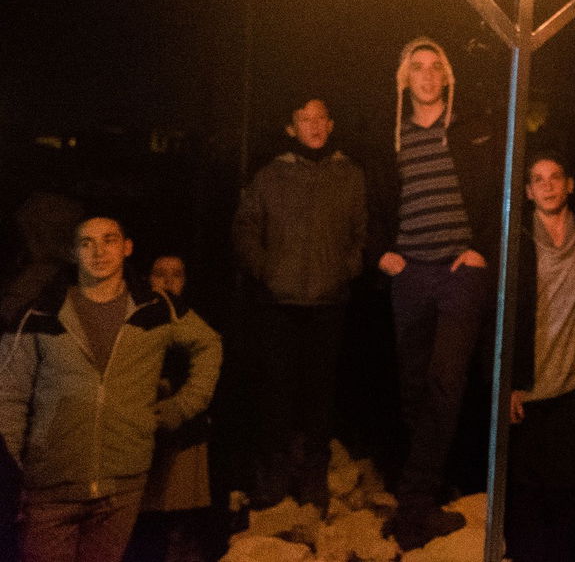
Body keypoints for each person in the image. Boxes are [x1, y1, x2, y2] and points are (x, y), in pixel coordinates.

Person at [0, 217, 222, 562]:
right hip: (51, 488)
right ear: (73, 253)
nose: (99, 251)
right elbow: (8, 395)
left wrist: (182, 406)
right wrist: (14, 467)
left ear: (127, 247)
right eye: (87, 243)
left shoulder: (156, 308)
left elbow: (209, 344)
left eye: (109, 240)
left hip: (123, 484)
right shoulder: (40, 313)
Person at [374, 37, 495, 550]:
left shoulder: (466, 131)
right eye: (416, 69)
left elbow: (495, 190)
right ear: (405, 79)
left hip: (456, 271)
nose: (425, 76)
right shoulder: (393, 137)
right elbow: (376, 200)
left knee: (447, 383)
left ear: (446, 76)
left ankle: (412, 506)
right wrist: (382, 252)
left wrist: (481, 249)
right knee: (415, 390)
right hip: (412, 273)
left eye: (433, 68)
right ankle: (426, 490)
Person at [232, 95, 366, 512]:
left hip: (328, 303)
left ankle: (314, 482)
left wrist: (348, 268)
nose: (313, 125)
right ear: (291, 128)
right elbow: (245, 227)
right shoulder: (270, 176)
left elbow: (363, 230)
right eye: (304, 119)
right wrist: (264, 270)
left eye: (320, 118)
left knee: (320, 396)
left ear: (331, 124)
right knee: (276, 393)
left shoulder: (351, 175)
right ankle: (272, 481)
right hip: (278, 302)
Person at [505, 152, 575, 562]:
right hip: (528, 385)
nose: (547, 185)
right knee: (526, 494)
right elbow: (503, 314)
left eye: (555, 177)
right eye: (538, 180)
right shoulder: (517, 241)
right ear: (527, 191)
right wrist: (507, 383)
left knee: (568, 489)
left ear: (569, 184)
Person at [127, 255, 216, 562]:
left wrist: (181, 406)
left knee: (178, 524)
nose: (167, 282)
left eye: (176, 274)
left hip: (182, 432)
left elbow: (207, 351)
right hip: (138, 428)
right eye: (159, 274)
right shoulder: (135, 314)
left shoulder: (194, 321)